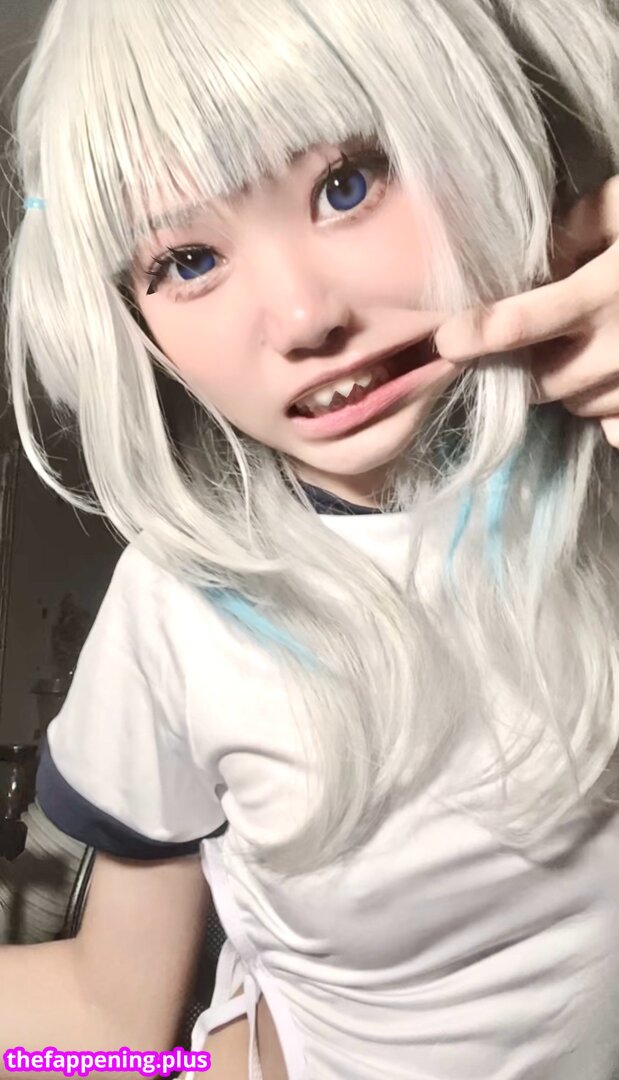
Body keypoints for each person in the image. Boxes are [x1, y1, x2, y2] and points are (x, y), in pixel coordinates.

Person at [2, 1, 619, 1078]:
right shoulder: (179, 610)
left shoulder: (598, 472)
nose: (301, 318)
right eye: (188, 259)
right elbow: (112, 1018)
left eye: (348, 184)